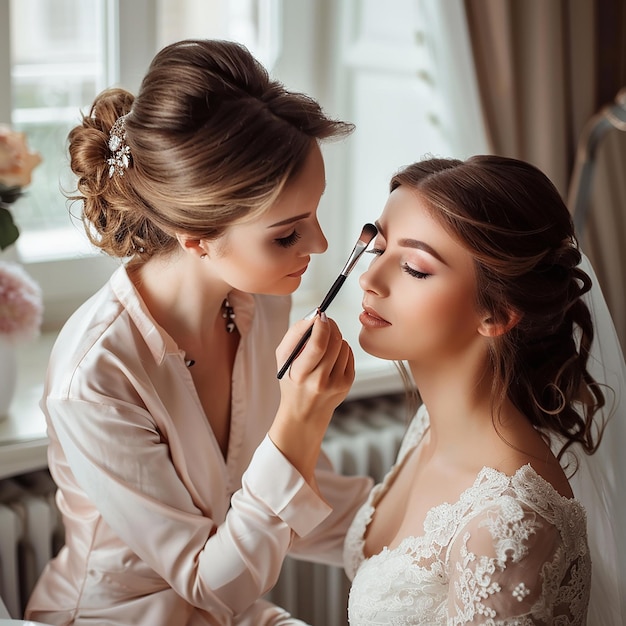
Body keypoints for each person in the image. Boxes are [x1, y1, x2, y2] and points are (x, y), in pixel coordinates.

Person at [25, 39, 373, 626]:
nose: (319, 246)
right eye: (287, 234)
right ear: (197, 238)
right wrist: (299, 424)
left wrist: (437, 522)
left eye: (315, 215)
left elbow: (287, 507)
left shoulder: (263, 306)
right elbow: (214, 586)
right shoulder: (95, 377)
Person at [342, 155, 615, 624]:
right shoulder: (431, 424)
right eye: (377, 249)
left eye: (413, 268)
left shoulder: (512, 525)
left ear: (497, 315)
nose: (369, 279)